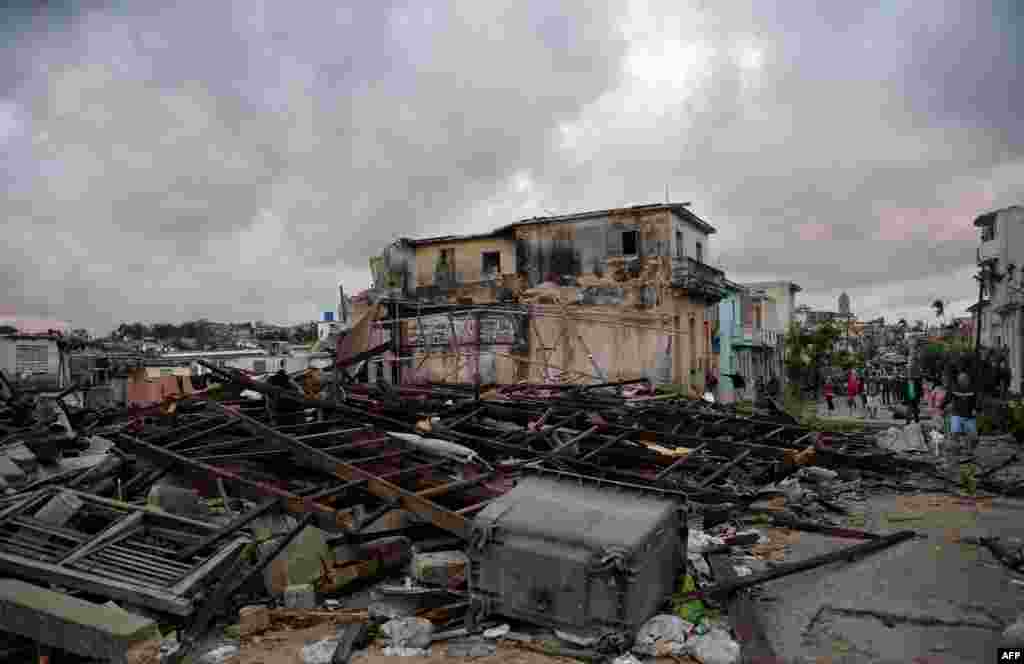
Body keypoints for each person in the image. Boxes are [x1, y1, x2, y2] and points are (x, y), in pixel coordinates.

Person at [942, 372, 978, 453]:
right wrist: (944, 407)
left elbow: (977, 401)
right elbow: (947, 399)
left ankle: (969, 449)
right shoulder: (954, 388)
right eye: (961, 380)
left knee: (974, 438)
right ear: (958, 381)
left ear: (968, 380)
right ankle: (956, 448)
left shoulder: (973, 389)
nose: (963, 381)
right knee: (955, 432)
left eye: (965, 380)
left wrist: (976, 409)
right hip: (957, 414)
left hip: (969, 415)